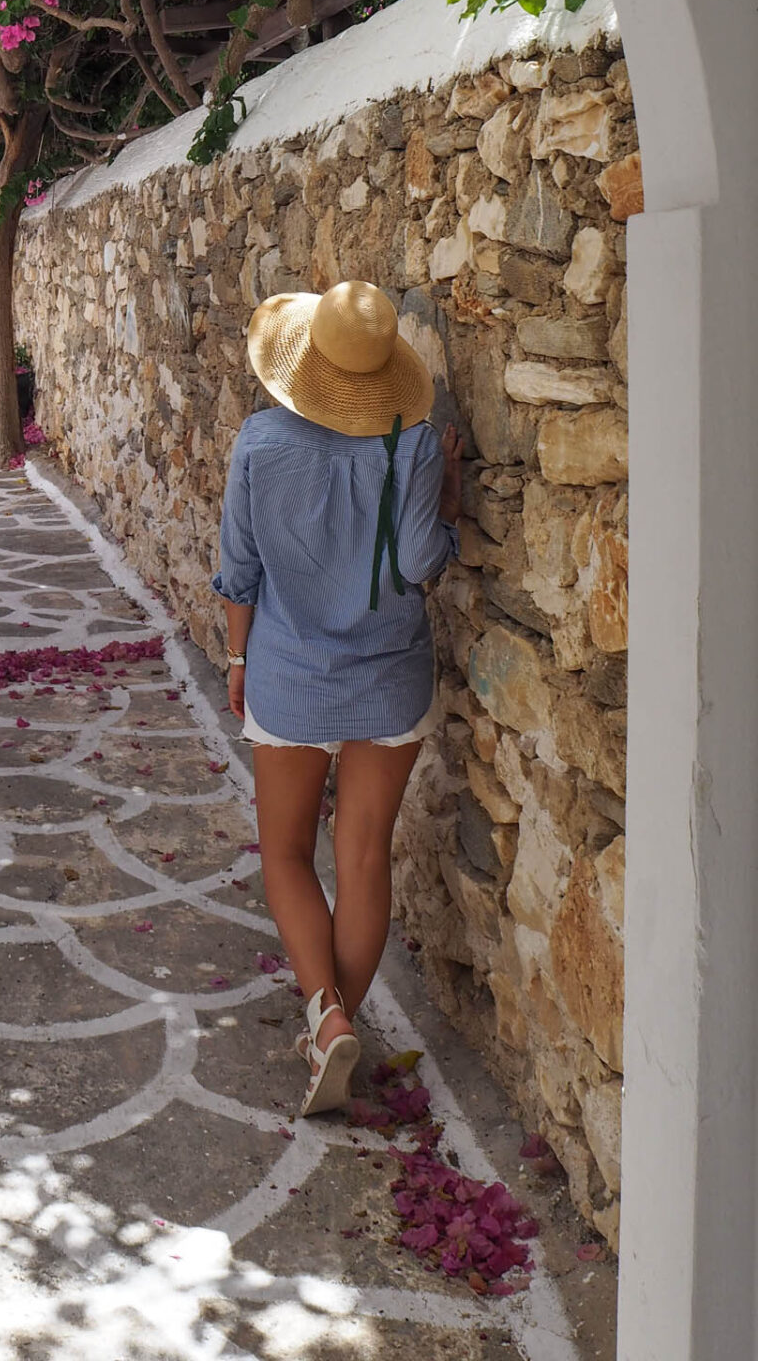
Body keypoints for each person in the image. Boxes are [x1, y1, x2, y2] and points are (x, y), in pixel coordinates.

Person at [211, 279, 462, 1116]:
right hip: (390, 679)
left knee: (285, 855)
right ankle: (337, 1027)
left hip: (287, 675)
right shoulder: (417, 443)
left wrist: (238, 656)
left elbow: (239, 571)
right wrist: (450, 493)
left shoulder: (259, 442)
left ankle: (326, 1026)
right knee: (361, 858)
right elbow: (425, 561)